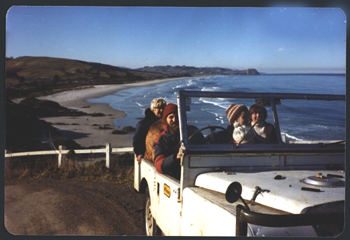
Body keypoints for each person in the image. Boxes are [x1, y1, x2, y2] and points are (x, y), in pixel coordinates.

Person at [154, 103, 182, 179]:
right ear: (165, 120)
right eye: (171, 117)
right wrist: (175, 157)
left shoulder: (188, 133)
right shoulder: (161, 139)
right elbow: (158, 165)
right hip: (173, 175)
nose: (174, 120)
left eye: (177, 116)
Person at [133, 98, 166, 163]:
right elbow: (137, 139)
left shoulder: (166, 122)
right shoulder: (143, 124)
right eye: (158, 108)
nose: (161, 110)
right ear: (153, 109)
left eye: (163, 108)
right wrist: (139, 153)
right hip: (148, 157)